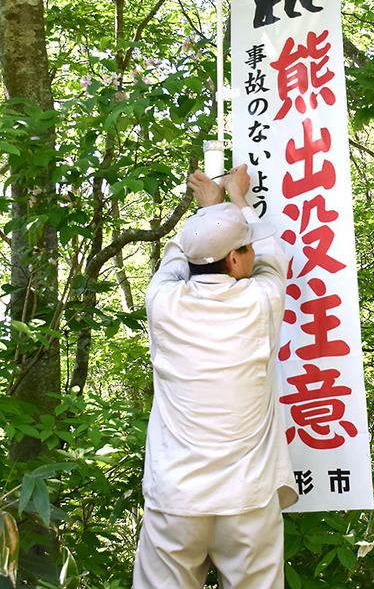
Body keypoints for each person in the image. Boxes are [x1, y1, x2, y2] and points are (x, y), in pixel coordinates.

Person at [133, 164, 298, 589]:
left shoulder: (162, 302)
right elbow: (272, 250)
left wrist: (207, 212)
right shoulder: (262, 301)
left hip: (176, 497)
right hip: (246, 500)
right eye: (244, 249)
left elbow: (180, 254)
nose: (252, 254)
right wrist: (235, 199)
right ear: (234, 258)